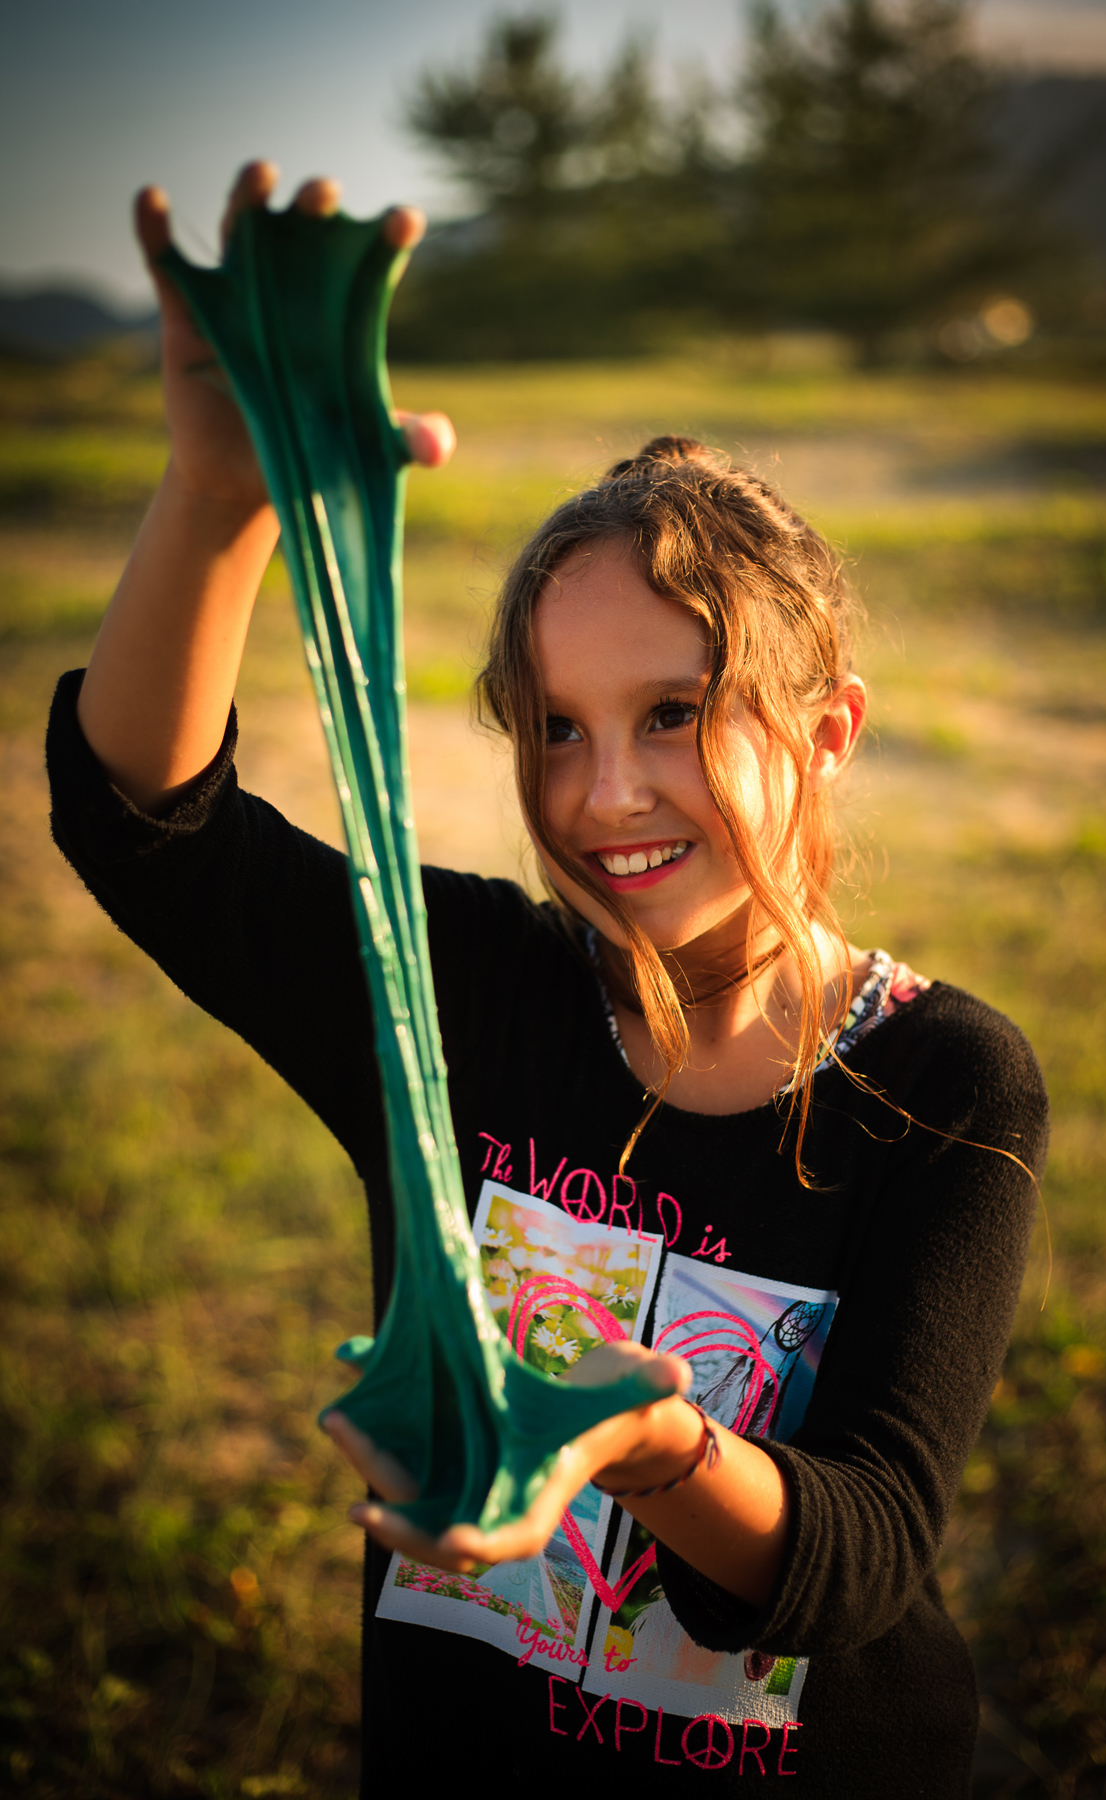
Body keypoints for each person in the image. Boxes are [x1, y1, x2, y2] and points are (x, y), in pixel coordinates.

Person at [46, 165, 1049, 1798]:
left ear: (827, 734)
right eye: (558, 728)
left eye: (675, 714)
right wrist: (221, 493)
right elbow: (151, 825)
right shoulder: (455, 991)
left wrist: (651, 1446)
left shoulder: (947, 1083)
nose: (606, 797)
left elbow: (863, 1550)